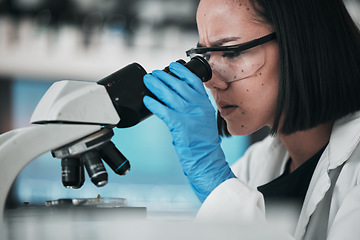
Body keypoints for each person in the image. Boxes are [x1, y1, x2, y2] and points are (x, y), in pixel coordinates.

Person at [143, 0, 360, 239]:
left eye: (232, 52)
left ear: (300, 44)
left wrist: (212, 177)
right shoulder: (252, 167)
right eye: (205, 57)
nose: (211, 82)